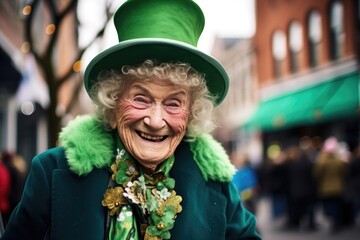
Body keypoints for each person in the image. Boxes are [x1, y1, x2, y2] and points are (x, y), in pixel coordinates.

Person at [2, 1, 261, 239]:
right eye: (140, 99)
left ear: (191, 115)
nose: (156, 120)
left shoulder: (217, 184)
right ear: (113, 106)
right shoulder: (51, 171)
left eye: (173, 103)